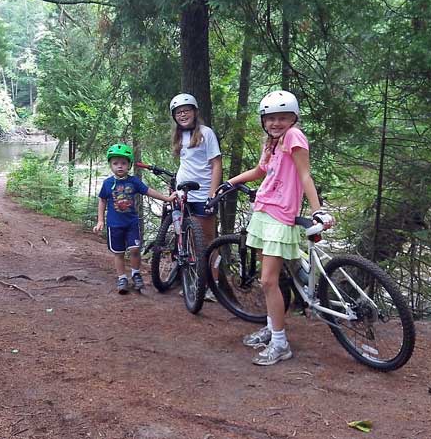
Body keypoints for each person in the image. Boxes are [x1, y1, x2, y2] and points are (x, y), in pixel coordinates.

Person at [221, 90, 334, 366]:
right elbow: (261, 171)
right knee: (269, 277)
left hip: (280, 216)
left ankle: (281, 343)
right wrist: (230, 182)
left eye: (282, 118)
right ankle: (272, 330)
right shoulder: (272, 143)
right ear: (264, 121)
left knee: (268, 281)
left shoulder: (294, 137)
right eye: (270, 118)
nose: (276, 123)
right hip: (263, 211)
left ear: (293, 118)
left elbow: (305, 174)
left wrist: (316, 209)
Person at [94, 143, 176, 294]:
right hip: (114, 225)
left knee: (135, 249)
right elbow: (102, 200)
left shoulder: (134, 181)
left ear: (129, 165)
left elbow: (148, 191)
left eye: (124, 163)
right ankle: (122, 278)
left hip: (131, 224)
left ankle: (136, 274)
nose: (120, 166)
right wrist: (100, 220)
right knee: (118, 253)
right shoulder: (107, 183)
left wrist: (167, 198)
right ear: (110, 165)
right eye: (115, 163)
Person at [169, 93, 222, 297]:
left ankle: (213, 284)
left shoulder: (206, 133)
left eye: (186, 110)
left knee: (209, 240)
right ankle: (195, 282)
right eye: (178, 112)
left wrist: (212, 194)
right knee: (190, 240)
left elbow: (216, 163)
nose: (183, 115)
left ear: (195, 111)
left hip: (203, 194)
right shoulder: (179, 136)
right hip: (184, 194)